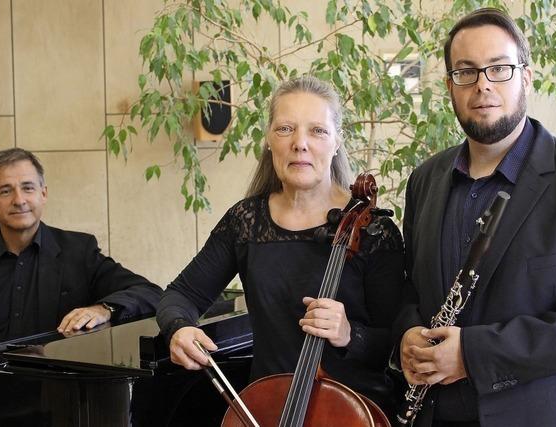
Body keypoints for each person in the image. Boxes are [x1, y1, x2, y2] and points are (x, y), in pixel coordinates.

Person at [391, 7, 556, 427]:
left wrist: (473, 354)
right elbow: (408, 290)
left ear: (526, 77)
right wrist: (407, 333)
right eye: (466, 72)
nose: (483, 85)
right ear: (450, 86)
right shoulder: (424, 180)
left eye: (499, 69)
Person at [157, 75, 406, 418]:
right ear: (269, 140)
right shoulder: (246, 221)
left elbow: (398, 345)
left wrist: (350, 334)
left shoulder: (375, 230)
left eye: (317, 130)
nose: (300, 143)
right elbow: (179, 295)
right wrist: (179, 327)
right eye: (286, 129)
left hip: (353, 415)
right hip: (267, 411)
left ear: (337, 142)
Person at [0, 147, 163, 349]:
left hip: (54, 378)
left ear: (43, 194)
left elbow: (150, 293)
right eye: (6, 191)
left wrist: (103, 309)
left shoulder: (79, 252)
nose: (19, 200)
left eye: (28, 188)